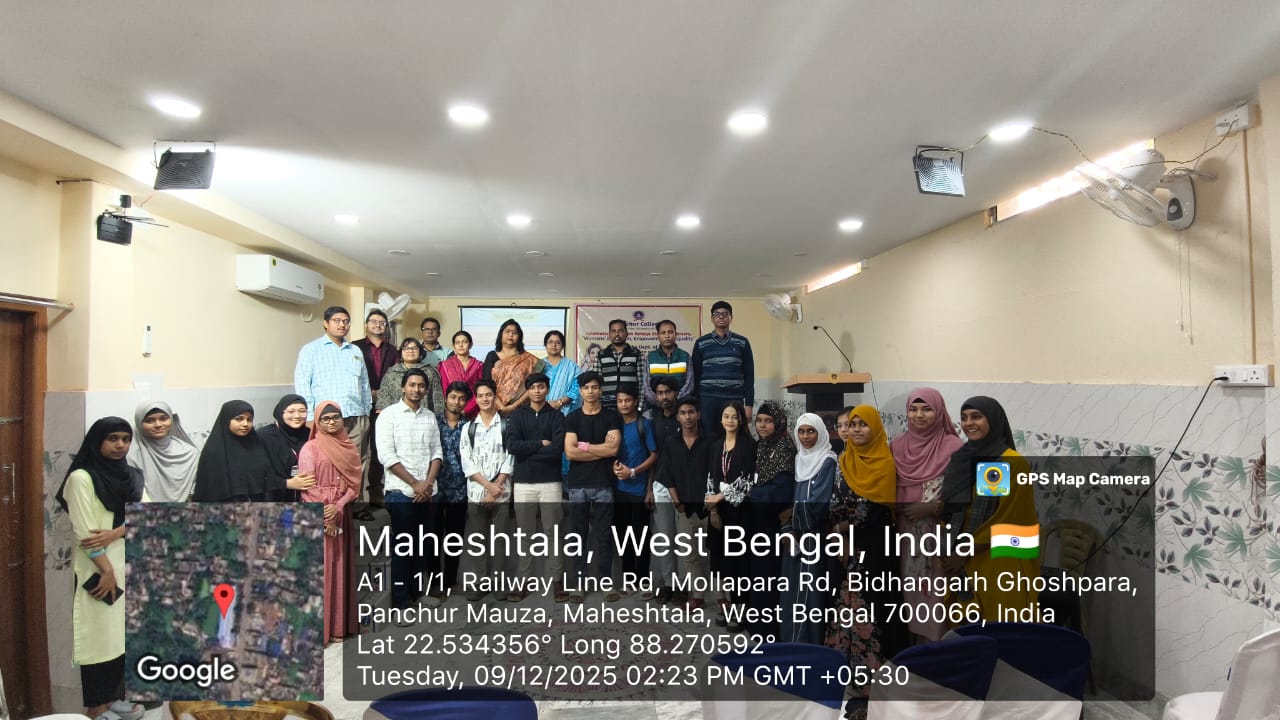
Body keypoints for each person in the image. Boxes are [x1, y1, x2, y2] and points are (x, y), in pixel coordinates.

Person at [56, 417, 146, 720]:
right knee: (98, 635)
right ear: (97, 441)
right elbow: (85, 532)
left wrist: (116, 533)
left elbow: (146, 516)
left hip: (128, 565)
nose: (120, 445)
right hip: (98, 570)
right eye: (112, 439)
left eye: (125, 439)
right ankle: (96, 707)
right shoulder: (81, 478)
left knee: (121, 635)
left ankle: (114, 698)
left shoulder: (132, 476)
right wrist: (106, 571)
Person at [826, 405, 908, 714]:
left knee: (872, 607)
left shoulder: (884, 463)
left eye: (863, 424)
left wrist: (844, 529)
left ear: (875, 428)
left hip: (875, 547)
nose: (857, 429)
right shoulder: (844, 460)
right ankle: (849, 673)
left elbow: (874, 510)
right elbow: (835, 501)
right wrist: (839, 532)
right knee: (846, 606)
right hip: (847, 547)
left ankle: (874, 681)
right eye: (853, 424)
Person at [940, 396, 1039, 620]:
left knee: (999, 626)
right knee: (968, 628)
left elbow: (1009, 519)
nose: (969, 423)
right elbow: (952, 509)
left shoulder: (1008, 462)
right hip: (962, 558)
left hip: (998, 560)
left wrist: (963, 553)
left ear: (993, 420)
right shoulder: (963, 458)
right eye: (964, 418)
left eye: (977, 416)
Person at [890, 388, 963, 642]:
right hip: (904, 534)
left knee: (936, 597)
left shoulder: (953, 447)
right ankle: (912, 652)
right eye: (913, 409)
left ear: (939, 412)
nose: (919, 415)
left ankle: (937, 651)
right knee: (908, 594)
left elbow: (965, 498)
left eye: (926, 409)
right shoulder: (897, 446)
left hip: (939, 536)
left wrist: (931, 508)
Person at [375, 369, 442, 617]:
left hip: (427, 492)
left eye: (421, 385)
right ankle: (401, 603)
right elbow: (386, 456)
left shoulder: (429, 417)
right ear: (403, 387)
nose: (416, 389)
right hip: (401, 491)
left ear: (426, 389)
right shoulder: (388, 416)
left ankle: (418, 594)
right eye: (412, 385)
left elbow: (437, 452)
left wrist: (427, 484)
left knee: (423, 546)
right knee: (404, 548)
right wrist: (415, 483)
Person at [294, 306, 374, 502]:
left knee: (357, 462)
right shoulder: (311, 350)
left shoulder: (355, 350)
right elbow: (303, 384)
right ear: (325, 323)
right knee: (328, 462)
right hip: (326, 419)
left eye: (346, 321)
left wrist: (366, 412)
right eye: (337, 321)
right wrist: (310, 417)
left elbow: (364, 383)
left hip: (356, 416)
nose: (342, 325)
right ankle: (330, 505)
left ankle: (355, 507)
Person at [298, 401, 361, 644]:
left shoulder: (348, 446)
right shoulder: (310, 448)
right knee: (323, 570)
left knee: (340, 567)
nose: (332, 422)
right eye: (326, 419)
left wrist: (339, 505)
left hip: (341, 512)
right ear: (318, 422)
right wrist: (327, 511)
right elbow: (308, 487)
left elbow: (354, 484)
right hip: (320, 514)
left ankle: (339, 627)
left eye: (336, 417)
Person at [504, 372, 567, 601]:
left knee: (553, 533)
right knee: (525, 535)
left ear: (547, 389)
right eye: (532, 387)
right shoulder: (518, 416)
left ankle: (557, 581)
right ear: (527, 391)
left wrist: (528, 452)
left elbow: (557, 449)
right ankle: (524, 580)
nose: (537, 391)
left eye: (541, 387)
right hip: (523, 483)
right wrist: (540, 444)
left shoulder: (557, 416)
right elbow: (512, 446)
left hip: (551, 482)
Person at [777, 412, 836, 644]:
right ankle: (792, 643)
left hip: (815, 540)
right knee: (791, 593)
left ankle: (810, 645)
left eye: (811, 431)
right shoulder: (799, 459)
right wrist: (787, 529)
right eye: (801, 431)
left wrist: (792, 514)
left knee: (811, 595)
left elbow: (819, 505)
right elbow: (791, 500)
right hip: (795, 539)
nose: (805, 436)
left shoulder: (827, 461)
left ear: (820, 432)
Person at [563, 371, 622, 601]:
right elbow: (570, 452)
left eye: (595, 387)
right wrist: (600, 449)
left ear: (601, 390)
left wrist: (585, 446)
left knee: (604, 535)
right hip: (578, 484)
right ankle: (579, 584)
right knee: (578, 535)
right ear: (580, 391)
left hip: (603, 483)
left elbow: (613, 450)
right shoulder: (572, 418)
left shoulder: (611, 417)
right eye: (586, 388)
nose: (590, 391)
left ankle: (606, 582)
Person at [703, 401, 757, 630]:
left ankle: (740, 610)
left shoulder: (749, 445)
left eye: (735, 416)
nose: (730, 420)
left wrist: (720, 497)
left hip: (740, 513)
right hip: (719, 514)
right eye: (726, 416)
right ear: (721, 419)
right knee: (720, 564)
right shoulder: (716, 445)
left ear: (741, 420)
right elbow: (710, 478)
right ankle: (725, 607)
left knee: (738, 565)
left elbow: (747, 480)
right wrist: (713, 509)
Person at [745, 401, 797, 635]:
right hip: (757, 521)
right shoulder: (761, 446)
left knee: (770, 576)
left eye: (768, 421)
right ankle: (756, 623)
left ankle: (770, 629)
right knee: (757, 574)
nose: (763, 425)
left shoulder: (785, 447)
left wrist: (751, 493)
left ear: (779, 423)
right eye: (759, 421)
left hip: (774, 523)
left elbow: (781, 491)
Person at [460, 379, 515, 600]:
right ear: (476, 398)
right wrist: (487, 487)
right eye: (480, 395)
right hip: (476, 492)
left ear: (495, 396)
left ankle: (499, 584)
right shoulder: (469, 428)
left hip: (501, 491)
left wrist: (495, 488)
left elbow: (510, 458)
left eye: (489, 395)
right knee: (478, 541)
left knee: (500, 540)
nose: (485, 399)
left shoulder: (506, 425)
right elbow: (467, 462)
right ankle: (481, 582)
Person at [193, 401, 312, 501]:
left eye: (249, 419)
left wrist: (286, 484)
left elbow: (266, 477)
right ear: (226, 420)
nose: (245, 424)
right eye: (239, 419)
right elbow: (208, 491)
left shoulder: (254, 445)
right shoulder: (213, 452)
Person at [654, 397, 710, 608]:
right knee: (689, 554)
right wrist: (677, 502)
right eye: (683, 413)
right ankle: (697, 596)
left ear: (699, 414)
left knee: (715, 554)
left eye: (691, 412)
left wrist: (713, 505)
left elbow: (716, 473)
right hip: (684, 508)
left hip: (709, 507)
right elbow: (667, 474)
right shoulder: (671, 442)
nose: (688, 417)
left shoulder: (711, 441)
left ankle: (723, 597)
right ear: (677, 417)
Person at [611, 384, 657, 599]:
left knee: (641, 538)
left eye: (627, 400)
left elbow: (654, 456)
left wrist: (637, 475)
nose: (624, 404)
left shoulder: (644, 425)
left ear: (635, 401)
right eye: (620, 401)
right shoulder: (613, 426)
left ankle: (644, 580)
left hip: (639, 491)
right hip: (618, 491)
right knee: (623, 538)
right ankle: (629, 580)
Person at [431, 381, 472, 596]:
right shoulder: (433, 422)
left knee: (454, 537)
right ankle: (433, 579)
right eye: (453, 397)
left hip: (459, 490)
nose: (457, 402)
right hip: (435, 488)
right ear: (446, 398)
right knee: (433, 536)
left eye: (462, 399)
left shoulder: (470, 426)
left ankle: (449, 580)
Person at [691, 301, 755, 435]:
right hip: (707, 400)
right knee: (708, 439)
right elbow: (695, 376)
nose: (721, 317)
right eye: (717, 314)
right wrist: (695, 406)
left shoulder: (742, 342)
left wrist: (749, 405)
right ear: (712, 318)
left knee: (734, 437)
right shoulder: (701, 343)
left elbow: (749, 376)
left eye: (725, 314)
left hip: (734, 399)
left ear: (731, 317)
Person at [127, 401, 198, 502]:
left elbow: (193, 493)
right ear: (139, 424)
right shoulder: (130, 455)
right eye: (150, 420)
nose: (158, 425)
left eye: (163, 419)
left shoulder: (190, 453)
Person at [257, 394, 315, 502]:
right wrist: (287, 483)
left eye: (302, 411)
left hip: (305, 496)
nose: (297, 416)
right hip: (273, 498)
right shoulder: (263, 436)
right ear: (281, 413)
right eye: (291, 411)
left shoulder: (310, 435)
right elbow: (256, 473)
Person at [483, 319, 546, 415]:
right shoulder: (492, 355)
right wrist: (501, 407)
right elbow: (486, 383)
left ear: (519, 337)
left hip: (521, 410)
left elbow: (531, 386)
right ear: (501, 334)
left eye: (514, 332)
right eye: (507, 331)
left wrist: (514, 406)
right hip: (494, 408)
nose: (510, 335)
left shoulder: (529, 359)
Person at [377, 338, 445, 414]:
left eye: (414, 348)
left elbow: (438, 398)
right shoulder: (392, 372)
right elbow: (383, 400)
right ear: (401, 352)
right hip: (396, 417)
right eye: (406, 348)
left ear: (420, 352)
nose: (410, 351)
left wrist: (438, 416)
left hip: (423, 416)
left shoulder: (430, 371)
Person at [593, 319, 644, 410]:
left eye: (620, 331)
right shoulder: (601, 355)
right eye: (613, 331)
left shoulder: (636, 354)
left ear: (626, 333)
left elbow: (642, 383)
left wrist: (640, 406)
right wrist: (598, 406)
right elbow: (596, 383)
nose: (617, 334)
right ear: (609, 334)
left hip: (630, 406)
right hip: (606, 407)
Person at [643, 319, 694, 407]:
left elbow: (689, 384)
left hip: (679, 407)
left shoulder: (685, 356)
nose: (667, 336)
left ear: (675, 334)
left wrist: (675, 401)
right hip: (655, 408)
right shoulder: (651, 357)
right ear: (658, 336)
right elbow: (646, 386)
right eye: (663, 333)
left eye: (670, 332)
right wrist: (659, 401)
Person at [438, 330, 484, 418]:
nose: (461, 345)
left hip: (473, 409)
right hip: (452, 409)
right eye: (457, 342)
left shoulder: (479, 365)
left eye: (464, 342)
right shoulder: (445, 365)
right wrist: (452, 406)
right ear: (454, 346)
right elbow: (444, 389)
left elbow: (479, 390)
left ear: (470, 345)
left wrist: (466, 409)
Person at [542, 330, 580, 415]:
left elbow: (577, 387)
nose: (554, 345)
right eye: (550, 342)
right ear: (545, 345)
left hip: (565, 411)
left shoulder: (572, 366)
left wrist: (560, 402)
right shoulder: (539, 365)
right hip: (541, 410)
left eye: (558, 342)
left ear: (563, 346)